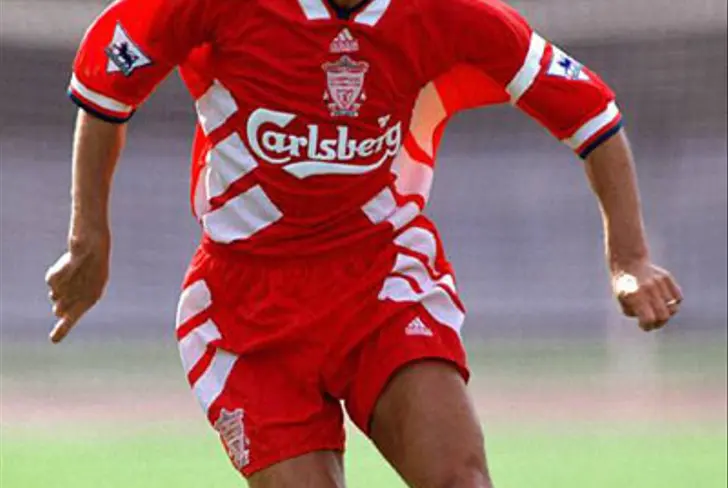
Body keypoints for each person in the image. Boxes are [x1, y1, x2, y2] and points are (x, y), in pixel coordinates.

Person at [45, 0, 684, 486]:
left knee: (460, 480)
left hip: (382, 285)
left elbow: (590, 113)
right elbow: (106, 84)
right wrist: (89, 239)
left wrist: (628, 259)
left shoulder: (444, 14)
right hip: (244, 312)